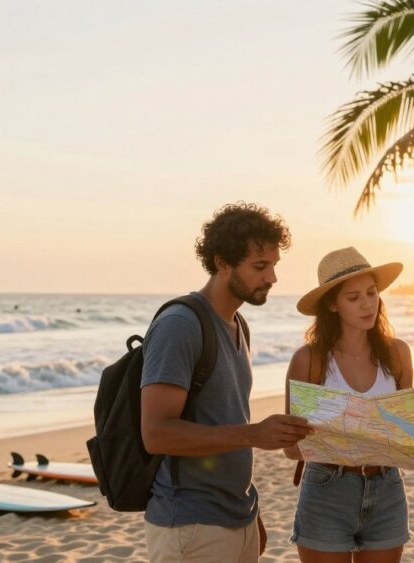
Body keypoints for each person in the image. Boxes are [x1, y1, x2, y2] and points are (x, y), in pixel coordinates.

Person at [140, 203, 314, 563]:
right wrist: (254, 434)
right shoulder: (180, 325)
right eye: (260, 266)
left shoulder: (238, 325)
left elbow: (226, 418)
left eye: (274, 265)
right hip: (190, 526)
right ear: (222, 263)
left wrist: (250, 510)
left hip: (237, 517)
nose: (272, 277)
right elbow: (156, 434)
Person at [283, 246, 414, 562]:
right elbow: (291, 447)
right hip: (327, 489)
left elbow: (407, 431)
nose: (367, 304)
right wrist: (343, 442)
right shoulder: (309, 360)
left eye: (371, 293)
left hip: (387, 487)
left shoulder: (398, 354)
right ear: (332, 304)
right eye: (354, 298)